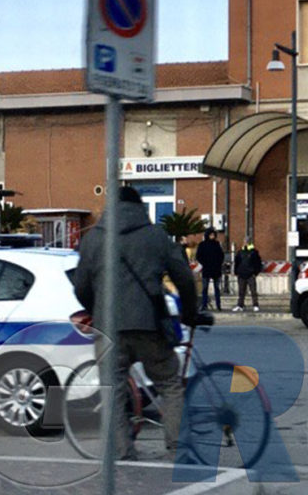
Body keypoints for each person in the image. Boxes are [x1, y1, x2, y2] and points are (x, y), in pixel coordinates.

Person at [72, 186, 197, 461]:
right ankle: (177, 448)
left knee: (114, 390)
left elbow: (81, 286)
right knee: (169, 383)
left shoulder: (93, 239)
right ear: (139, 207)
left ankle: (122, 451)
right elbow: (184, 278)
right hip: (149, 325)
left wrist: (98, 309)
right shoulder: (155, 236)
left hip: (108, 330)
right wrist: (190, 312)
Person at [195, 228, 225, 311]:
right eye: (211, 235)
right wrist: (204, 263)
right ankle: (204, 305)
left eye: (213, 235)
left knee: (217, 288)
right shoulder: (202, 245)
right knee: (205, 288)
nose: (212, 236)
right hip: (207, 269)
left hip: (216, 269)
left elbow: (221, 255)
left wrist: (218, 263)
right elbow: (198, 256)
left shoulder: (217, 244)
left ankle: (218, 305)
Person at [232, 242, 263, 312]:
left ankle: (255, 305)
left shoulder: (253, 252)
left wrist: (255, 273)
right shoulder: (240, 252)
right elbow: (237, 262)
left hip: (250, 274)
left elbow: (258, 263)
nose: (245, 244)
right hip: (242, 274)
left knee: (253, 291)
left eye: (246, 242)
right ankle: (240, 305)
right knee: (241, 291)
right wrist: (236, 272)